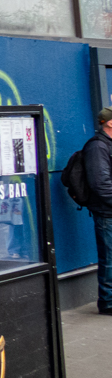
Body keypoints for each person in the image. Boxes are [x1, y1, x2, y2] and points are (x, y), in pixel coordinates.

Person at [80, 106, 112, 314]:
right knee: (109, 258)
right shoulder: (97, 147)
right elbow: (100, 184)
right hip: (107, 213)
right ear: (110, 122)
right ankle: (108, 302)